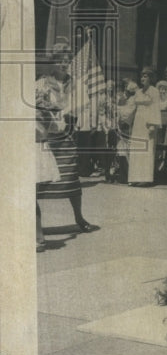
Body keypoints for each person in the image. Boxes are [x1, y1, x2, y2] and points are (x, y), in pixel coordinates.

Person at [35, 38, 100, 241]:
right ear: (53, 62)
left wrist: (66, 110)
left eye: (66, 60)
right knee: (40, 181)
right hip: (46, 137)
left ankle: (79, 218)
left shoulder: (75, 84)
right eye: (59, 60)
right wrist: (43, 107)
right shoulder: (42, 83)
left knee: (71, 178)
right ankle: (37, 226)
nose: (63, 64)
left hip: (65, 135)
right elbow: (35, 104)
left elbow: (83, 104)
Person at [127, 67, 162, 185]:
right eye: (142, 76)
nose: (142, 78)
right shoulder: (138, 92)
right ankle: (135, 177)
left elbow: (155, 108)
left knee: (146, 148)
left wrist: (153, 125)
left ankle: (145, 178)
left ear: (151, 78)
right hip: (138, 122)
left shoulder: (154, 91)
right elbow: (132, 107)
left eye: (145, 76)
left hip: (148, 123)